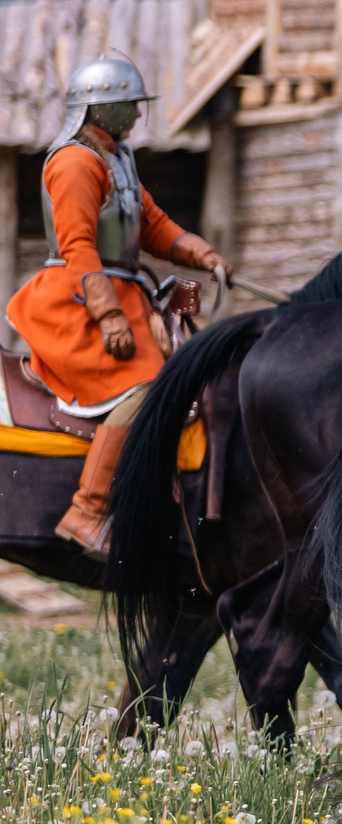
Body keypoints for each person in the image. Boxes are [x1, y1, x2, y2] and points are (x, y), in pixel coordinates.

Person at [4, 58, 230, 555]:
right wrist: (106, 314)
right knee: (147, 388)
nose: (133, 115)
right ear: (98, 109)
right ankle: (89, 511)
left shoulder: (117, 159)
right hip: (78, 297)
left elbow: (152, 226)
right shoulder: (74, 162)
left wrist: (202, 253)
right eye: (126, 106)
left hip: (121, 292)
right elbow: (79, 246)